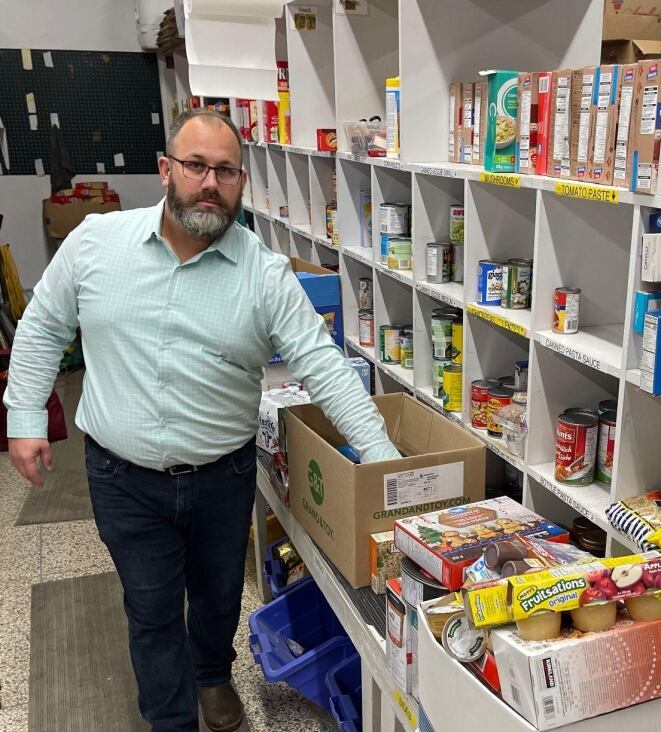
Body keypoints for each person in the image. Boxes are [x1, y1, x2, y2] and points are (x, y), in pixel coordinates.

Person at [4, 108, 400, 732]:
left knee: (217, 597)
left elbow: (324, 365)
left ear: (243, 183)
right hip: (123, 477)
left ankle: (213, 675)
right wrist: (25, 416)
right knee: (153, 609)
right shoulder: (96, 243)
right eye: (195, 166)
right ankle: (170, 720)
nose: (209, 183)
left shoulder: (264, 273)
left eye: (225, 171)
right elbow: (43, 326)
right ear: (166, 170)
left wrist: (383, 462)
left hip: (222, 476)